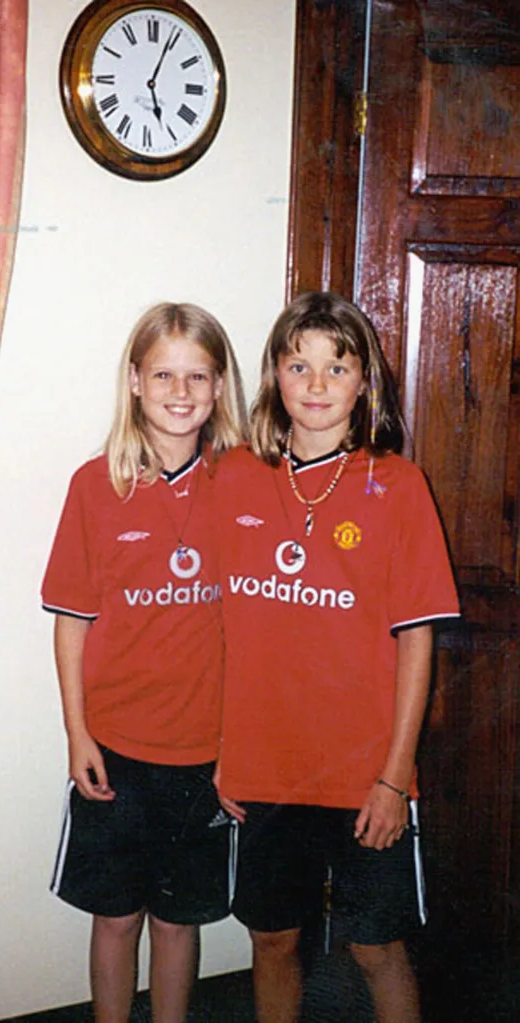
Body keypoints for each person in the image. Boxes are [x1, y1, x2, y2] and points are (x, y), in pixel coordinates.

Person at [215, 292, 460, 1023]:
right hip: (264, 772)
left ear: (364, 383)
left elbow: (417, 639)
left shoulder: (399, 485)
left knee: (376, 948)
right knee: (273, 939)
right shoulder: (235, 477)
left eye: (337, 367)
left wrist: (395, 774)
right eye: (300, 365)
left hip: (364, 774)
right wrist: (221, 753)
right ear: (275, 377)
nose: (317, 385)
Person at [42, 302, 246, 1023]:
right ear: (134, 380)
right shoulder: (94, 485)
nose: (180, 390)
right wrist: (78, 735)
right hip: (116, 751)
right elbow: (72, 622)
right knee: (117, 918)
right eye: (163, 372)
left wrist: (244, 747)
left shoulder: (244, 486)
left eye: (198, 374)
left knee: (177, 920)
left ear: (220, 386)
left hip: (208, 754)